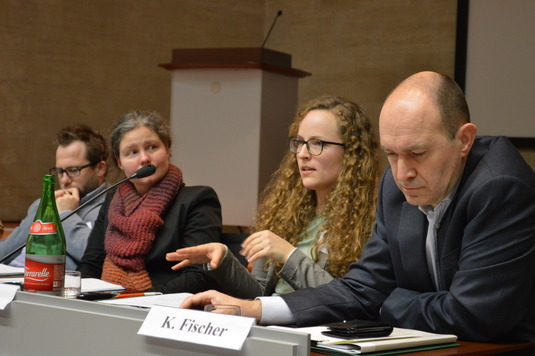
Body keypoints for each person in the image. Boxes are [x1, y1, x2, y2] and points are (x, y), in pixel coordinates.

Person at [180, 71, 535, 346]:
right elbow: (361, 288)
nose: (402, 173)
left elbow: (475, 316)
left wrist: (385, 301)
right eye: (391, 154)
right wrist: (255, 310)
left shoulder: (501, 187)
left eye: (417, 153)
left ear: (464, 140)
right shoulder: (395, 186)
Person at [166, 96, 379, 299]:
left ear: (352, 153)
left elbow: (345, 300)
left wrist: (288, 255)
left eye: (317, 143)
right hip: (276, 326)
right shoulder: (285, 214)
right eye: (300, 142)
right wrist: (224, 259)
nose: (303, 154)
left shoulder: (370, 224)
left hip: (317, 332)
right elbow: (259, 295)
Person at [77, 110, 222, 294]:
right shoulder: (112, 200)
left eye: (152, 147)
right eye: (132, 152)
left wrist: (137, 298)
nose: (144, 158)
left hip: (165, 309)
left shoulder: (198, 200)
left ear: (168, 149)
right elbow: (91, 264)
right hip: (108, 304)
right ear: (119, 161)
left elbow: (198, 277)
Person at [0, 124, 109, 270]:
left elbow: (100, 259)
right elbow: (3, 254)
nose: (64, 180)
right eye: (59, 171)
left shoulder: (113, 206)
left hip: (50, 286)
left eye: (73, 170)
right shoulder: (44, 203)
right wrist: (44, 210)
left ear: (100, 169)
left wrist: (64, 215)